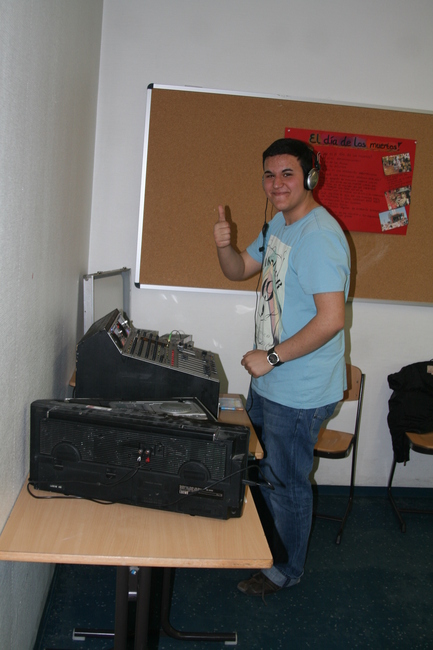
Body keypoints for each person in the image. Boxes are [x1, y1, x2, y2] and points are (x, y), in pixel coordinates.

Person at [213, 138, 351, 597]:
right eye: (269, 175)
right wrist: (224, 246)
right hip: (273, 380)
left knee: (286, 483)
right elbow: (239, 269)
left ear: (310, 177)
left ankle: (285, 570)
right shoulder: (278, 224)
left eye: (288, 174)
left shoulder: (319, 237)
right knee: (265, 471)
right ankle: (265, 544)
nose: (277, 184)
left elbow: (331, 319)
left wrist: (271, 357)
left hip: (300, 389)